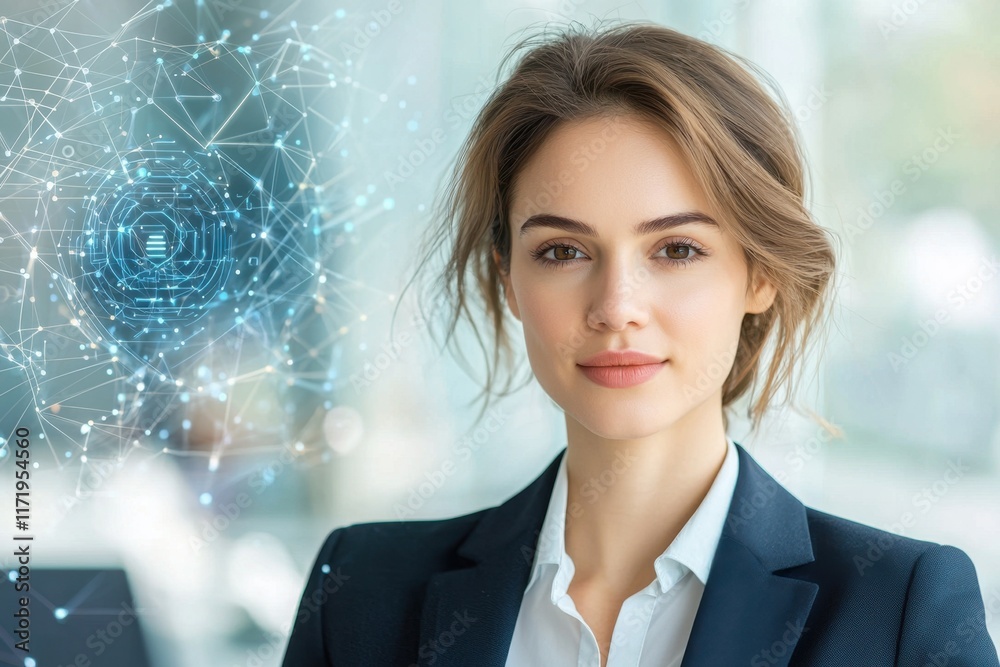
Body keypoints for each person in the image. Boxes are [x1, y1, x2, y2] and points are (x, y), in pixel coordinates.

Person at [281, 20, 999, 667]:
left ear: (762, 274)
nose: (616, 308)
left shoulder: (896, 612)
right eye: (563, 252)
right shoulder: (361, 594)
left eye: (677, 249)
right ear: (508, 278)